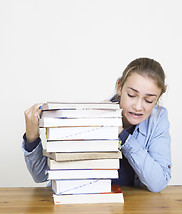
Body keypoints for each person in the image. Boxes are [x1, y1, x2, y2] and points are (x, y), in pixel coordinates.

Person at [22, 57, 171, 193]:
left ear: (158, 98)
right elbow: (41, 176)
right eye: (132, 95)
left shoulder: (158, 119)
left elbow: (157, 183)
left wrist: (123, 136)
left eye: (149, 100)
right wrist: (32, 138)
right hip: (82, 201)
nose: (138, 106)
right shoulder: (92, 115)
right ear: (119, 87)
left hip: (129, 207)